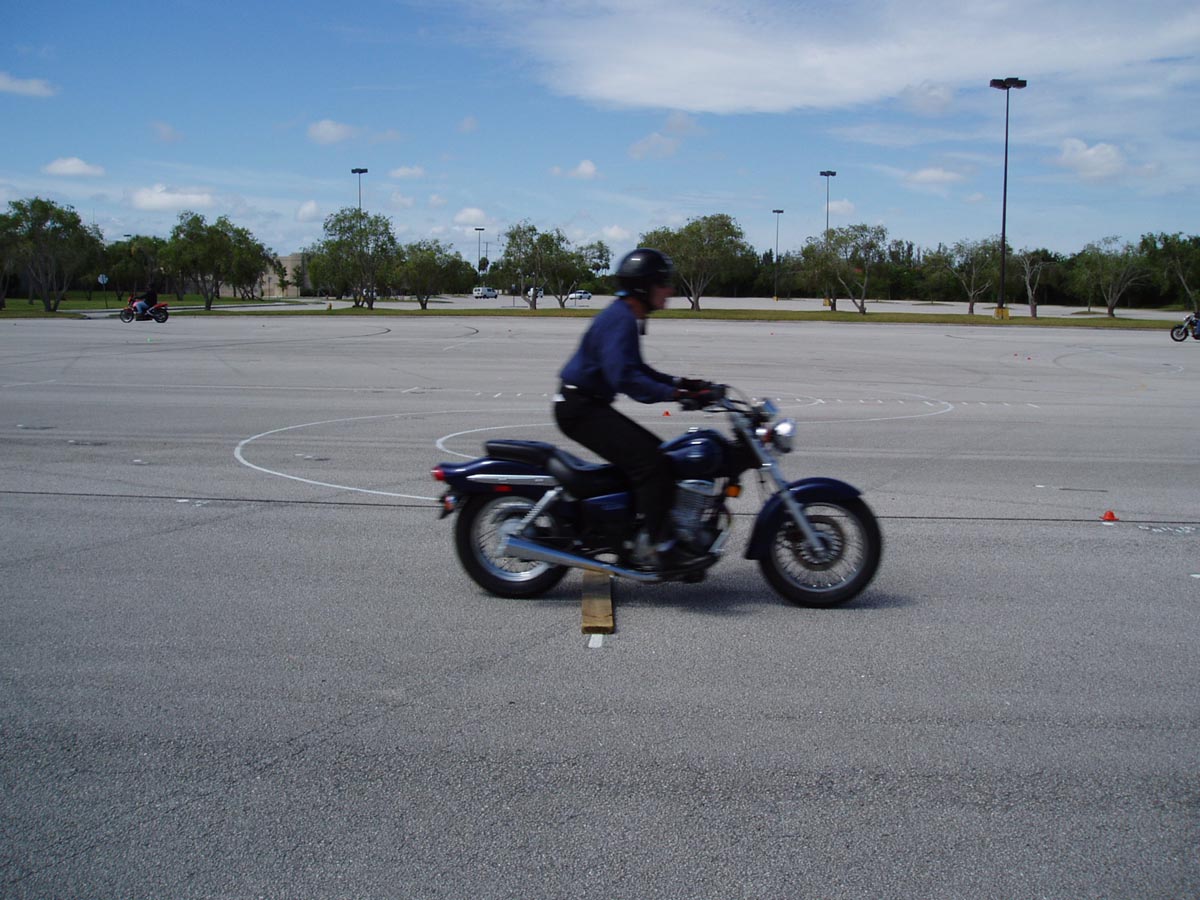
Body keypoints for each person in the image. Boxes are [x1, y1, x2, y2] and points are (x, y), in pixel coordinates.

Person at [554, 248, 716, 569]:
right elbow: (626, 378)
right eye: (663, 283)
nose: (669, 290)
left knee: (659, 457)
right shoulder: (621, 319)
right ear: (644, 287)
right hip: (580, 409)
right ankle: (657, 546)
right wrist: (676, 394)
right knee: (652, 465)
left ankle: (638, 529)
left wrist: (685, 383)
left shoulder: (625, 315)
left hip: (586, 405)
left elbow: (638, 369)